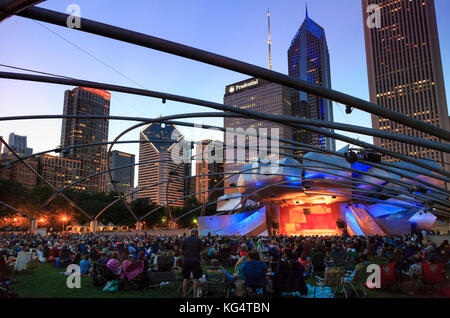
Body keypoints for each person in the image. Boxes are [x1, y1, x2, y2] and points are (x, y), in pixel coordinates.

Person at [180, 228, 203, 297]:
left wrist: (185, 255)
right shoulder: (199, 240)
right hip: (195, 260)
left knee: (185, 278)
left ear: (191, 233)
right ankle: (194, 295)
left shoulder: (185, 239)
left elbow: (180, 250)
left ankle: (184, 294)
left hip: (186, 260)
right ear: (196, 233)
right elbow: (201, 251)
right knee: (196, 278)